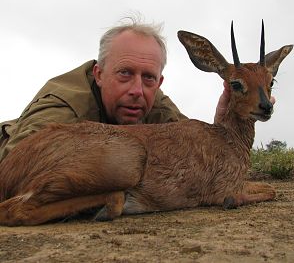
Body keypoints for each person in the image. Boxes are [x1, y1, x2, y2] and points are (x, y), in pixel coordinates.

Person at [0, 18, 230, 162]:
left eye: (149, 77)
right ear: (99, 75)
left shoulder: (150, 99)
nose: (137, 90)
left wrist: (224, 126)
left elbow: (200, 152)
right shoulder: (65, 107)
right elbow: (13, 168)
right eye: (125, 73)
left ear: (159, 83)